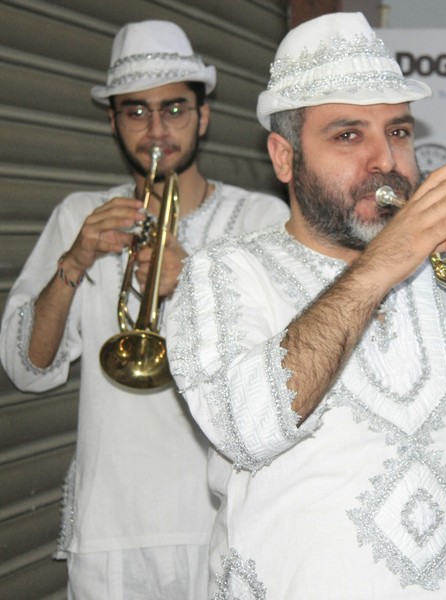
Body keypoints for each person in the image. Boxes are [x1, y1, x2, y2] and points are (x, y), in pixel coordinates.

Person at [165, 12, 446, 599]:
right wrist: (384, 263)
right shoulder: (223, 272)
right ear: (284, 157)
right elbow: (246, 429)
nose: (385, 160)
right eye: (348, 135)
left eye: (398, 131)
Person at [0, 20, 289, 599]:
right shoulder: (80, 215)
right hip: (109, 528)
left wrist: (193, 283)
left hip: (223, 523)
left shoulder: (262, 220)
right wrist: (75, 260)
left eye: (174, 109)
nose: (156, 129)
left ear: (203, 117)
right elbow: (27, 368)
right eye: (135, 111)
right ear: (112, 120)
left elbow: (285, 372)